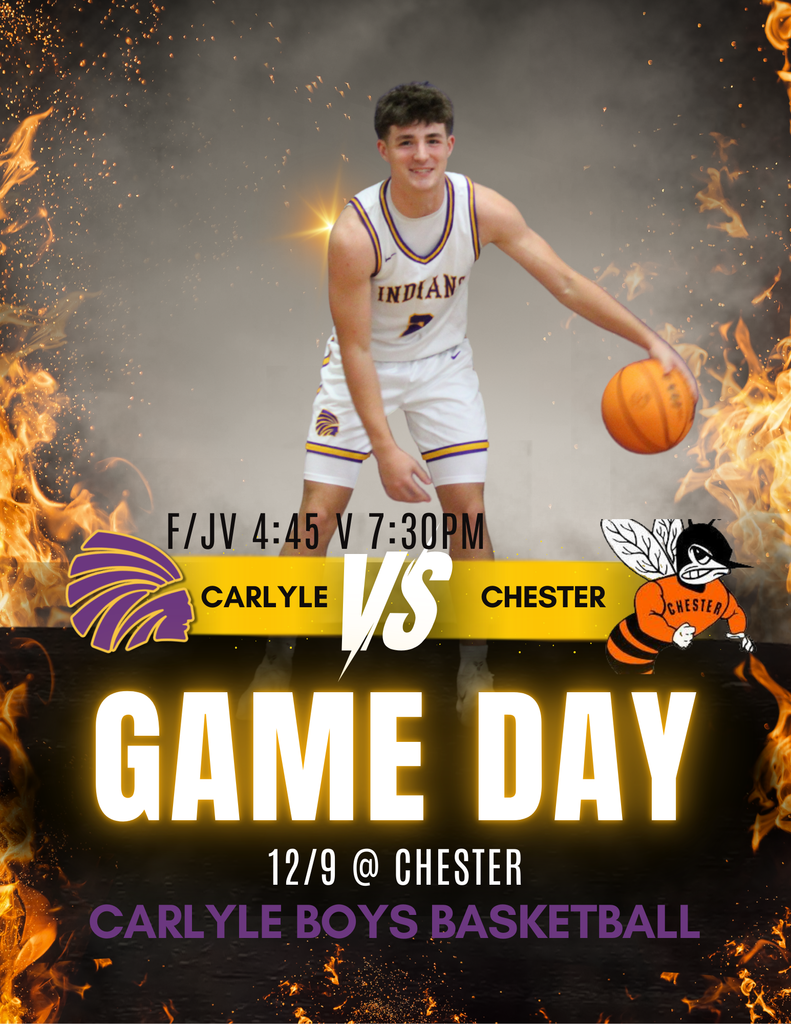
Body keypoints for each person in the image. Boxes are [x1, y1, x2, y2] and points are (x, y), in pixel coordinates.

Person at [237, 81, 697, 723]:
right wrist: (387, 450)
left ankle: (475, 668)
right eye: (406, 143)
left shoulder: (481, 209)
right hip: (363, 368)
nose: (421, 155)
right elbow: (357, 350)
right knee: (318, 513)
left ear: (450, 143)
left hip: (442, 369)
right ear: (383, 149)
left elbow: (566, 283)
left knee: (468, 516)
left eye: (433, 140)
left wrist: (651, 341)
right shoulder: (354, 233)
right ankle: (274, 662)